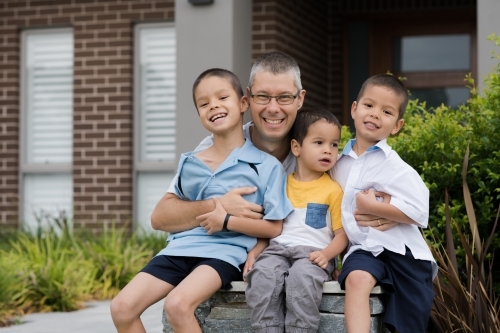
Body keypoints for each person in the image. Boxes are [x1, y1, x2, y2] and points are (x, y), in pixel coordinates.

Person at [110, 68, 294, 333]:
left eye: (222, 98)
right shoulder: (191, 162)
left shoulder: (266, 166)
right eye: (204, 103)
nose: (214, 106)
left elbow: (274, 226)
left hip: (225, 253)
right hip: (179, 248)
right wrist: (216, 205)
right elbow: (163, 216)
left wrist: (227, 220)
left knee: (177, 305)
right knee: (121, 308)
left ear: (243, 103)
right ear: (198, 114)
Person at [150, 51, 391, 237]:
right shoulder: (217, 145)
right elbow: (161, 217)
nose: (273, 108)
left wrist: (389, 216)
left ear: (300, 99)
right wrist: (219, 204)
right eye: (263, 97)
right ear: (248, 98)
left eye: (284, 97)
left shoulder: (321, 154)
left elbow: (370, 201)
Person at [334, 74, 437, 333]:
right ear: (354, 109)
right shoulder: (335, 164)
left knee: (410, 320)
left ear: (397, 125)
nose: (375, 114)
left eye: (386, 111)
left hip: (404, 254)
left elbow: (420, 212)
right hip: (365, 249)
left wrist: (375, 207)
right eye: (369, 106)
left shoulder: (396, 168)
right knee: (356, 279)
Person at [245, 107, 349, 333]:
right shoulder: (280, 184)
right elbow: (272, 228)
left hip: (313, 254)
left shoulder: (333, 190)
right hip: (277, 249)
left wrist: (328, 256)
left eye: (334, 144)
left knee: (302, 279)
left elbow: (342, 235)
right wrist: (254, 254)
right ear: (296, 147)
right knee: (263, 276)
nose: (328, 150)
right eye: (319, 142)